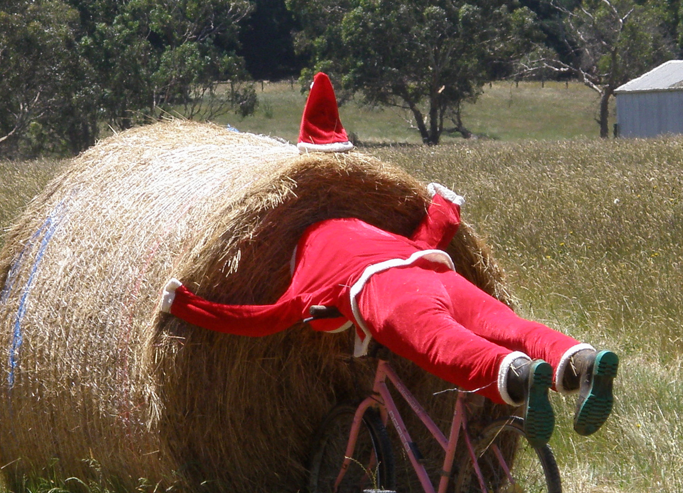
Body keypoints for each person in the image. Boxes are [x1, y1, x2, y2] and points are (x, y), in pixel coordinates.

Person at [158, 73, 618, 446]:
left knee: (443, 346)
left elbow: (264, 318)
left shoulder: (313, 256)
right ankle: (577, 361)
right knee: (510, 326)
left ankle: (516, 376)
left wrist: (186, 306)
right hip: (429, 268)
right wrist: (444, 209)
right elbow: (428, 235)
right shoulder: (370, 225)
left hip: (388, 293)